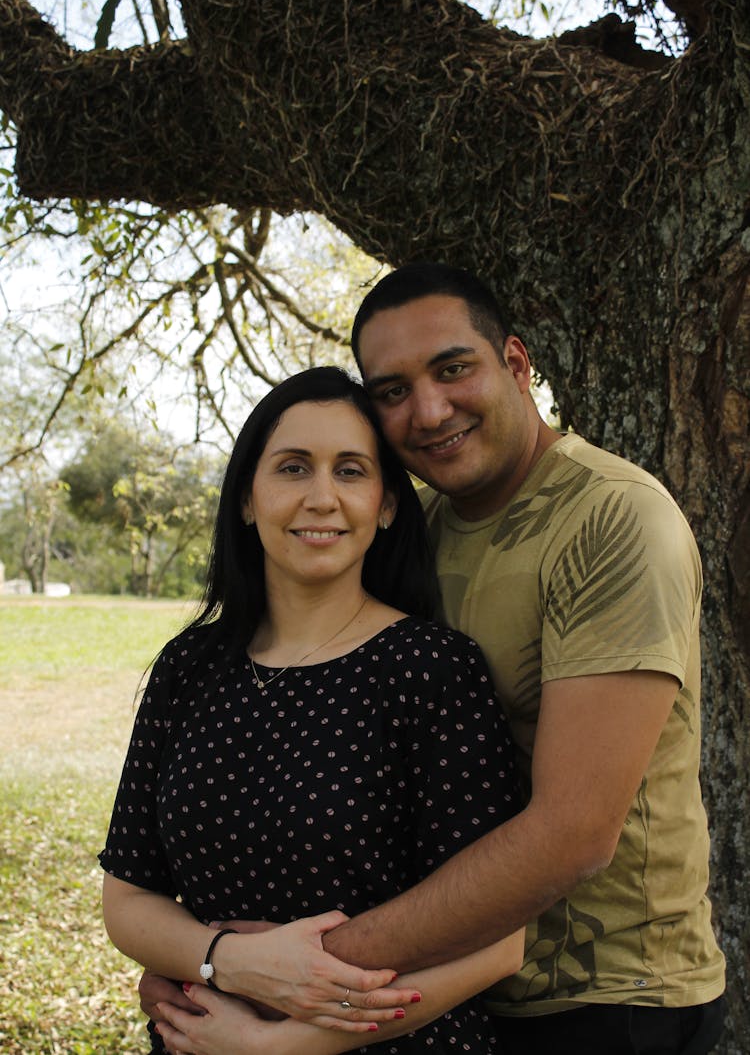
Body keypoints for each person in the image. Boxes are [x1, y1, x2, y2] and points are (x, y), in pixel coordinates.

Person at [149, 262, 725, 1055]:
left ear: (517, 366)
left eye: (454, 369)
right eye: (392, 390)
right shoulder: (416, 525)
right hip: (439, 996)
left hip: (607, 1001)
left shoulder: (614, 521)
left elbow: (574, 832)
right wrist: (206, 963)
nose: (428, 409)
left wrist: (279, 975)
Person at [100, 365, 524, 1055]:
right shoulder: (190, 668)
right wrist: (223, 958)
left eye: (351, 471)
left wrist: (288, 1043)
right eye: (293, 467)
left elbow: (500, 941)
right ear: (246, 497)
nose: (322, 496)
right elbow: (127, 899)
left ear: (386, 503)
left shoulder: (431, 668)